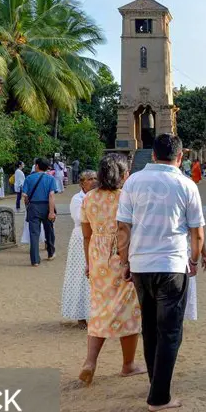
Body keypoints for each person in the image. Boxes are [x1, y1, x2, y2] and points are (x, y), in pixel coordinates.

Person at [117, 134, 205, 412]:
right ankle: (159, 397)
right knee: (170, 331)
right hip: (171, 264)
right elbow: (197, 232)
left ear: (153, 155)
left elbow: (123, 228)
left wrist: (125, 261)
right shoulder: (186, 185)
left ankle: (157, 384)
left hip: (141, 265)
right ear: (180, 158)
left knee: (151, 328)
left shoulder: (132, 182)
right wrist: (193, 258)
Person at [79, 155, 145, 386]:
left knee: (99, 308)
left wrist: (89, 262)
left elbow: (86, 235)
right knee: (129, 310)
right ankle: (128, 364)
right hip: (122, 255)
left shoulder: (88, 198)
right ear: (123, 174)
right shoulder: (127, 198)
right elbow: (128, 229)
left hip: (98, 257)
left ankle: (90, 361)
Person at [62, 170, 97, 327]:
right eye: (89, 179)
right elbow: (79, 217)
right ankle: (80, 314)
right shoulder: (78, 198)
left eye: (95, 178)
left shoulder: (97, 195)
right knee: (80, 274)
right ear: (82, 182)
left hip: (95, 236)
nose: (93, 181)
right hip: (81, 237)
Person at [22, 157, 58, 267]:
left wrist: (28, 206)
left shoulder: (29, 178)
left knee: (34, 233)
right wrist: (51, 211)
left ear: (37, 166)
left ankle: (35, 260)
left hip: (33, 207)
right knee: (49, 231)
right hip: (46, 206)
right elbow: (51, 195)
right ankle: (50, 253)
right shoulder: (51, 179)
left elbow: (25, 195)